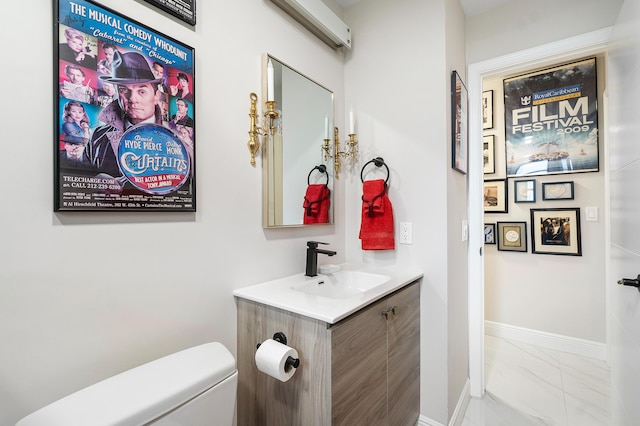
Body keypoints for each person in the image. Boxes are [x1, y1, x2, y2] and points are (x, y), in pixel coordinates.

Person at [86, 51, 164, 177]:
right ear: (117, 93)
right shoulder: (98, 137)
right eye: (123, 90)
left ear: (156, 97)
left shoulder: (175, 142)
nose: (133, 99)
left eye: (142, 91)